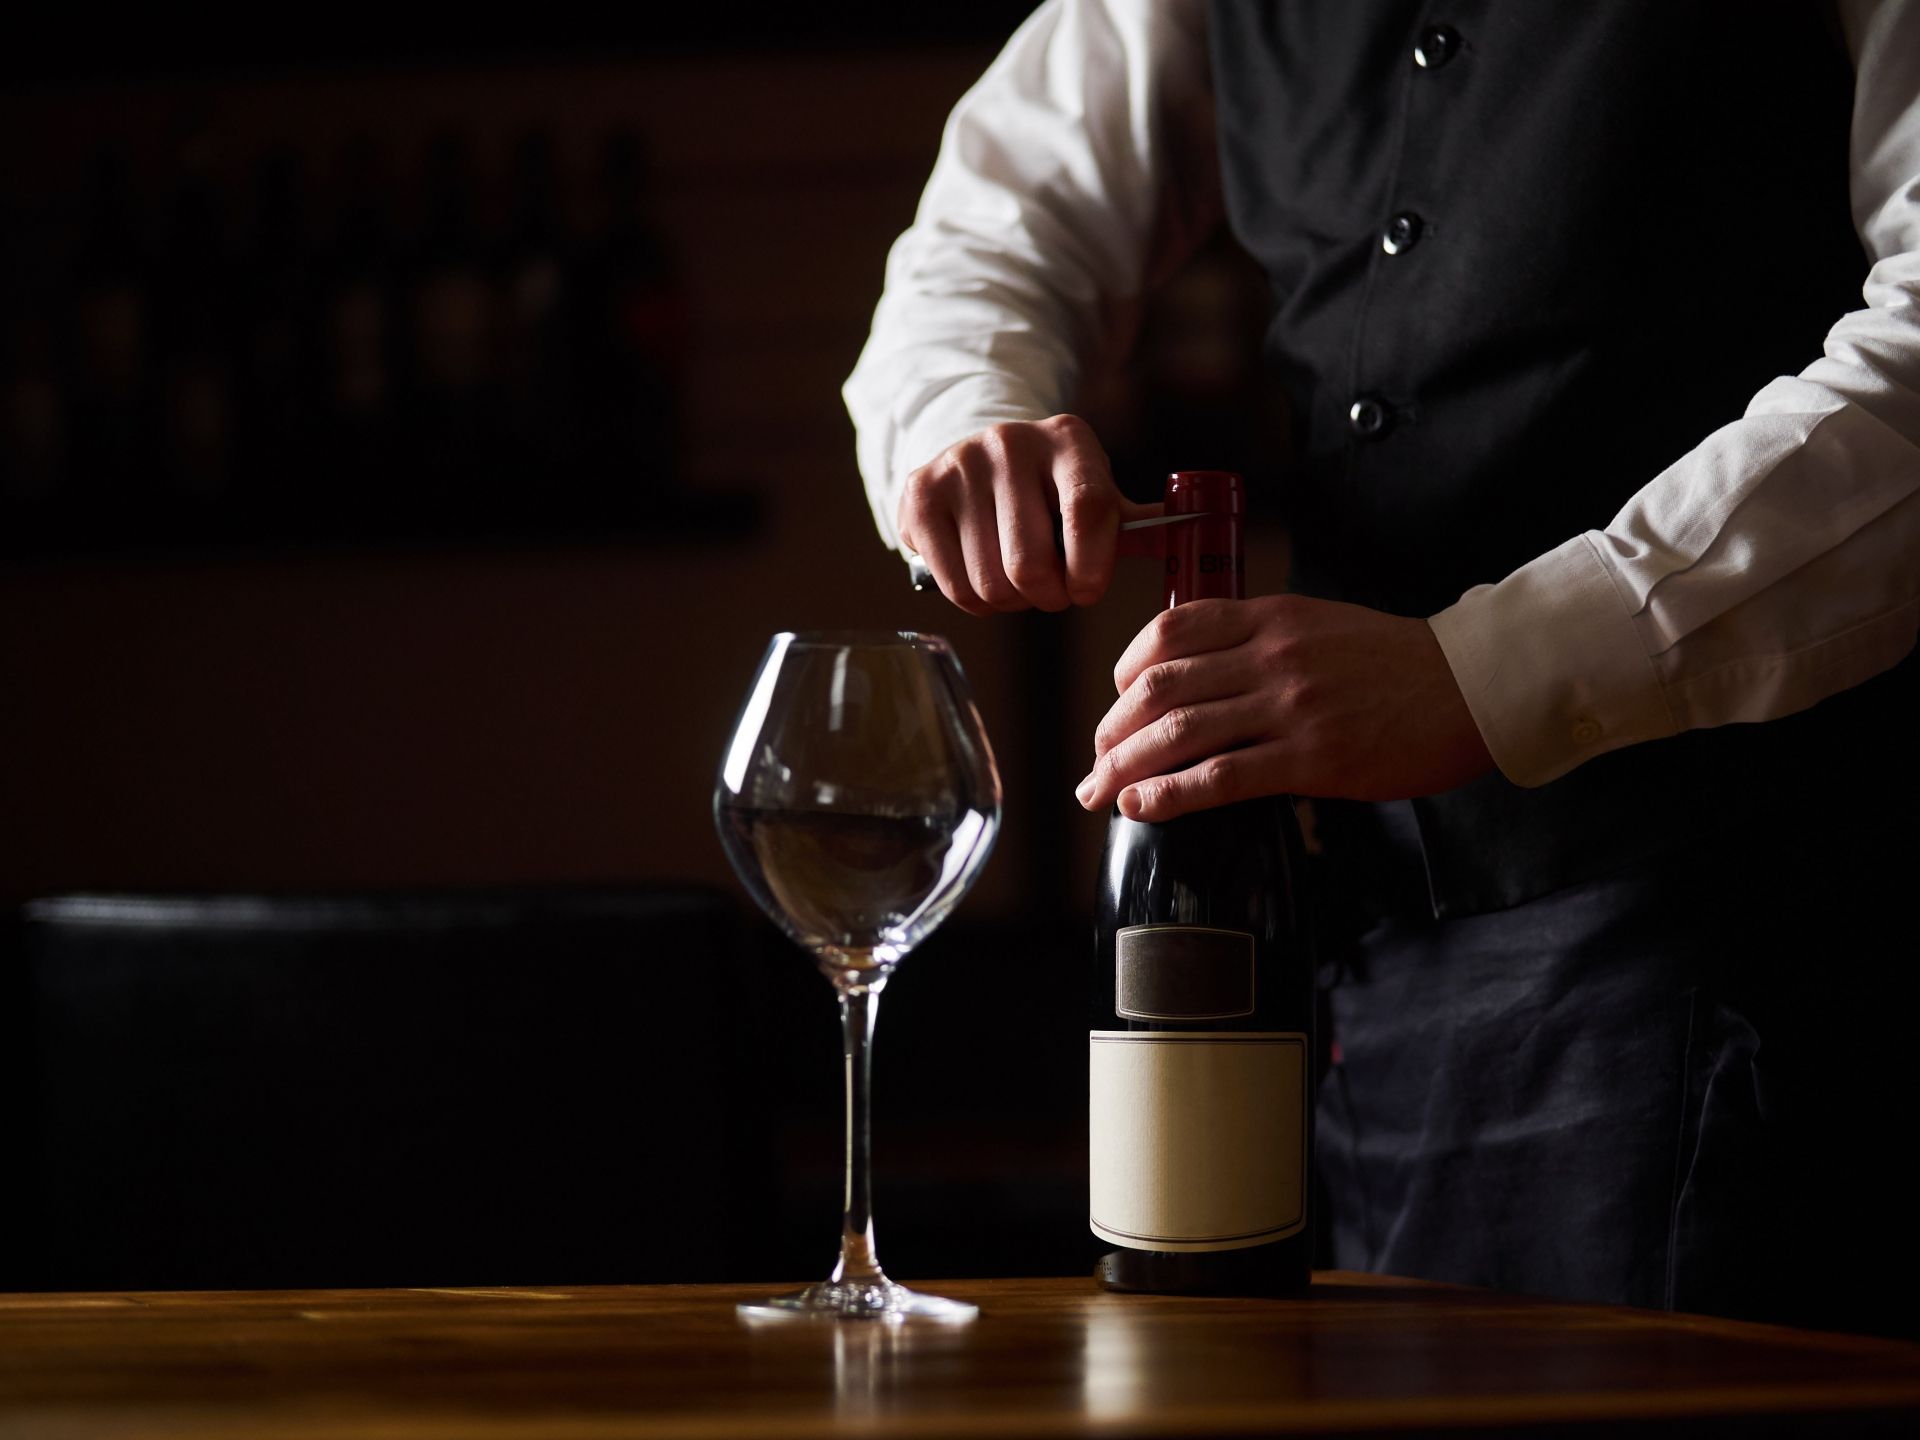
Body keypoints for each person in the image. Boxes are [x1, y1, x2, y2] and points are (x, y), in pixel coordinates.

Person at [844, 0, 1920, 1335]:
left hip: (1725, 920)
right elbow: (993, 227)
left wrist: (1489, 673)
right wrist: (972, 418)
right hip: (1359, 947)